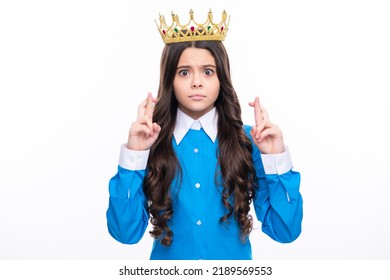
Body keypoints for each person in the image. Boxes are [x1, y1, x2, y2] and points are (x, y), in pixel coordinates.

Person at [106, 9, 303, 260]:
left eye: (208, 71)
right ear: (170, 80)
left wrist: (276, 160)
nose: (197, 82)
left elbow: (286, 231)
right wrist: (134, 155)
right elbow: (125, 232)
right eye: (184, 72)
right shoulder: (152, 142)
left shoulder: (248, 142)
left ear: (222, 78)